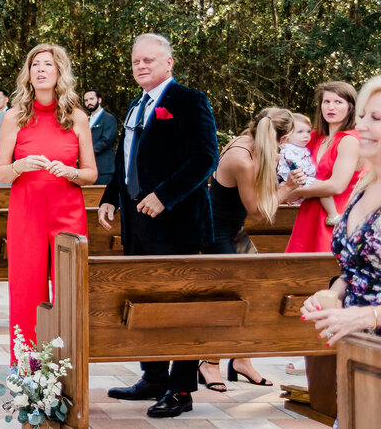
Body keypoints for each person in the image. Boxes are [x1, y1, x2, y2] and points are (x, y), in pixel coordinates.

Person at [98, 33, 219, 419]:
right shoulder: (136, 106)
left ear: (169, 62)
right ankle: (152, 377)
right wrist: (109, 198)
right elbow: (126, 162)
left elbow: (205, 159)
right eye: (136, 61)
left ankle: (181, 388)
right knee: (144, 300)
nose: (141, 66)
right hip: (138, 225)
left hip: (178, 224)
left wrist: (165, 195)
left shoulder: (189, 100)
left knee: (179, 306)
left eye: (149, 60)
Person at [0, 44, 96, 363]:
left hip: (68, 213)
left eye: (47, 64)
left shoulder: (77, 118)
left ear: (59, 72)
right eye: (35, 64)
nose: (40, 69)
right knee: (26, 290)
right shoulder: (14, 117)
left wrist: (72, 172)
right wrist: (19, 167)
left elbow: (92, 173)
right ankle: (26, 365)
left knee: (68, 292)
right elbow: (0, 173)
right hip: (27, 214)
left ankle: (67, 364)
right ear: (28, 73)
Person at [197, 107, 303, 391]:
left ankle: (242, 360)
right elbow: (258, 212)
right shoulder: (242, 158)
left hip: (234, 232)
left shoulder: (252, 146)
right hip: (216, 234)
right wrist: (288, 188)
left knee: (258, 292)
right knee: (226, 302)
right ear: (280, 138)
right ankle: (208, 363)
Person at [301, 74, 381, 346]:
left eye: (376, 118)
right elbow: (355, 270)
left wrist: (369, 316)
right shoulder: (365, 187)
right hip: (356, 350)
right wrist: (331, 296)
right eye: (362, 116)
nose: (361, 126)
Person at [286, 82, 362, 253]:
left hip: (335, 219)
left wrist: (294, 190)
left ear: (351, 107)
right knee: (298, 276)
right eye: (326, 102)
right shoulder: (313, 137)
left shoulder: (350, 140)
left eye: (338, 102)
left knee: (327, 274)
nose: (330, 107)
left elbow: (336, 185)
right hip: (307, 217)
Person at [276, 113, 340, 223]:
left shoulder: (299, 148)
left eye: (308, 131)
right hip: (297, 180)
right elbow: (295, 166)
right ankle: (333, 215)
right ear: (286, 136)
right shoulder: (289, 150)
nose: (306, 135)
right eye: (300, 132)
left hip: (300, 180)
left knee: (322, 189)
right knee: (324, 189)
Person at [84, 89, 119, 185]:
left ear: (99, 100)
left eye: (91, 99)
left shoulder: (109, 119)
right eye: (86, 100)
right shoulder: (86, 120)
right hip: (88, 169)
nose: (89, 102)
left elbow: (106, 141)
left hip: (104, 169)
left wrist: (86, 153)